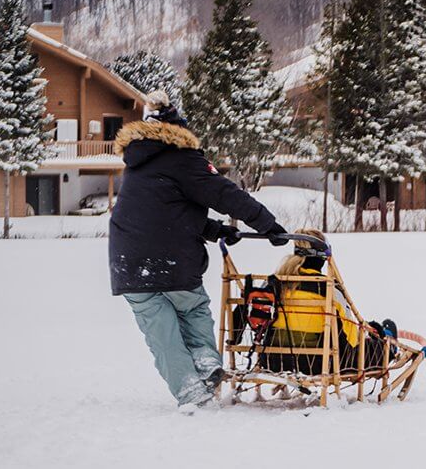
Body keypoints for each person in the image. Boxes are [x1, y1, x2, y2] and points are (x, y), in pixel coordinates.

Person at [108, 107, 287, 410]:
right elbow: (226, 194)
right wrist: (267, 224)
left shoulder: (137, 163)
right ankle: (205, 363)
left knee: (160, 330)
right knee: (192, 310)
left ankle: (189, 391)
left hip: (129, 261)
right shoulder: (183, 157)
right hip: (172, 260)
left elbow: (164, 212)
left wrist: (216, 229)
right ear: (180, 131)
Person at [253, 228, 401, 375]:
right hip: (319, 363)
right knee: (370, 350)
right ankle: (389, 346)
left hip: (273, 361)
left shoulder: (271, 284)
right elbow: (352, 338)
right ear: (322, 258)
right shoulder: (328, 288)